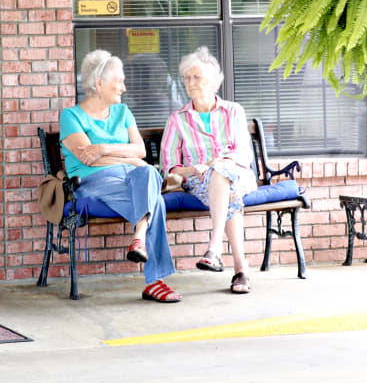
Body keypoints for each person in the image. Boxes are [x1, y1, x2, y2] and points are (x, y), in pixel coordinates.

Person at [60, 49, 182, 304]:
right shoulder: (71, 116)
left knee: (148, 170)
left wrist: (104, 148)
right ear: (99, 83)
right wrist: (129, 158)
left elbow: (141, 151)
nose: (124, 87)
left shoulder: (123, 112)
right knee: (155, 200)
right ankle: (154, 281)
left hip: (135, 177)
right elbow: (87, 158)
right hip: (94, 181)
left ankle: (139, 239)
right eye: (119, 81)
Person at [160, 46, 257, 294]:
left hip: (238, 174)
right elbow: (169, 166)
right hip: (199, 182)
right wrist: (193, 168)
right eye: (187, 78)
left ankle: (214, 247)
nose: (191, 83)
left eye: (197, 77)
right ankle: (240, 270)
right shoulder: (177, 120)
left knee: (222, 173)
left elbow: (243, 154)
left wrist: (214, 164)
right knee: (225, 189)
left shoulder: (233, 111)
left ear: (213, 82)